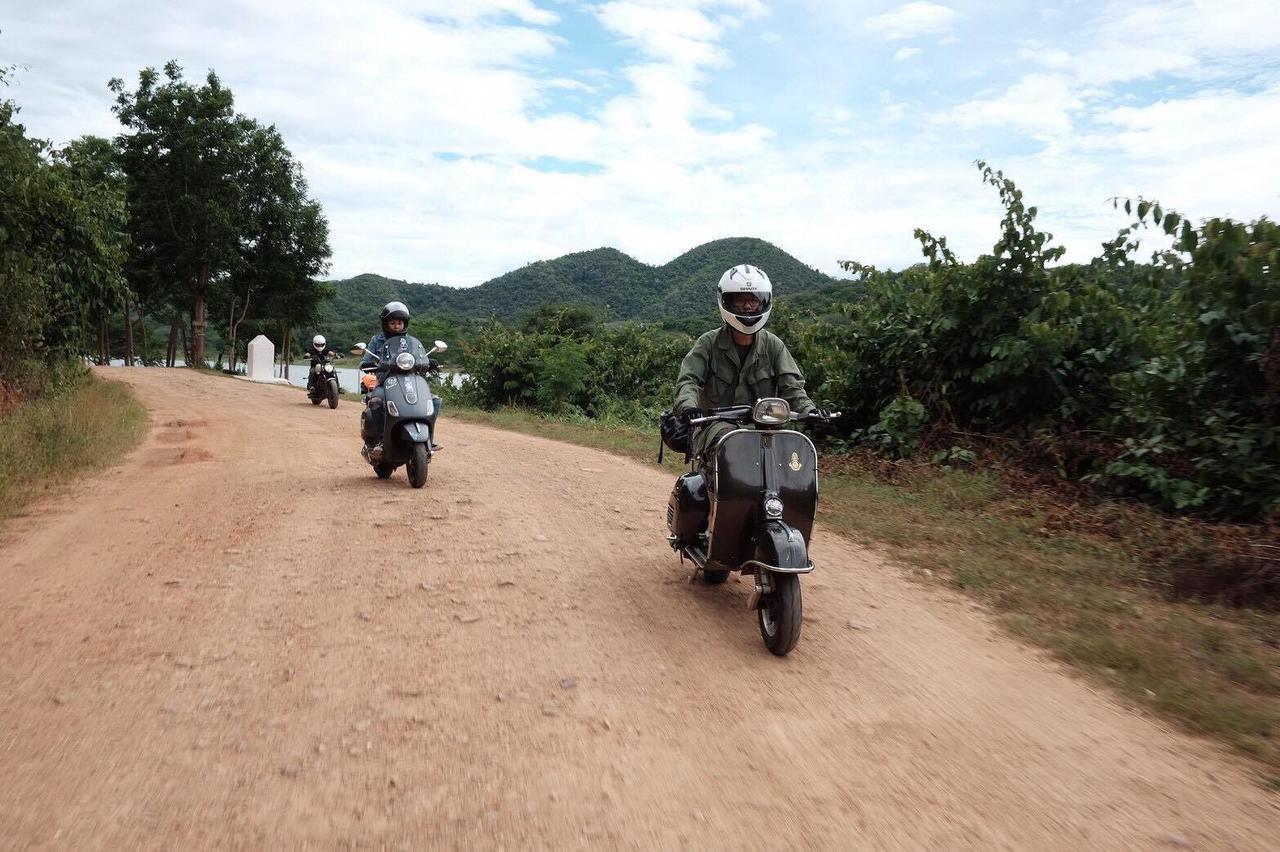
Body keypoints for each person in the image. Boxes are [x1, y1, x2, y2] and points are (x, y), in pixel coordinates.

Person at [672, 264, 825, 463]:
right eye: (740, 300)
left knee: (792, 454)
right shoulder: (708, 344)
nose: (747, 306)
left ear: (764, 301)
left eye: (753, 300)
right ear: (726, 302)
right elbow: (688, 380)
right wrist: (688, 406)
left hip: (766, 428)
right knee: (730, 444)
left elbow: (793, 388)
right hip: (716, 427)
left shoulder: (774, 346)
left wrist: (810, 411)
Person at [360, 301, 441, 456]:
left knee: (434, 400)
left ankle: (428, 438)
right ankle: (382, 440)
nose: (397, 326)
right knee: (376, 402)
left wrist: (428, 362)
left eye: (400, 322)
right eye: (392, 323)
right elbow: (365, 360)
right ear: (385, 324)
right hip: (385, 381)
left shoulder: (411, 342)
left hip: (410, 381)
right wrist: (369, 363)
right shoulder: (377, 340)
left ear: (405, 323)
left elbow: (420, 356)